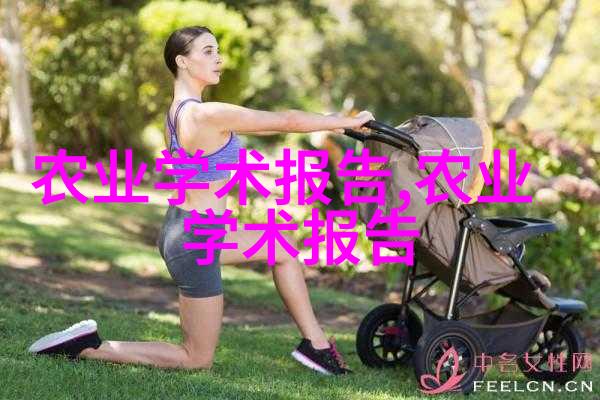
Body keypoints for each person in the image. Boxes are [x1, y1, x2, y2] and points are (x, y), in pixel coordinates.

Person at [28, 25, 374, 376]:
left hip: (189, 228)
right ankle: (87, 347)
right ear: (182, 61)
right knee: (195, 357)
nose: (218, 58)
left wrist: (329, 124)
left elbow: (269, 125)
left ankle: (316, 346)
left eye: (217, 50)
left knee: (280, 246)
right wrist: (345, 122)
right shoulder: (205, 115)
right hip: (195, 240)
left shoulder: (177, 113)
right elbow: (285, 120)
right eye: (208, 51)